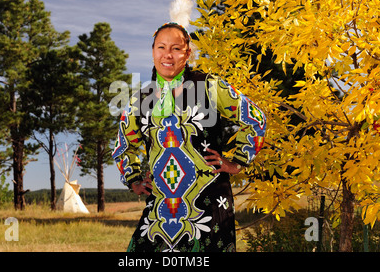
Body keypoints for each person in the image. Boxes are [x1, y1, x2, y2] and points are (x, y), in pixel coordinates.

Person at [112, 21, 267, 252]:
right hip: (161, 209)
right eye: (161, 47)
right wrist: (133, 178)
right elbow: (124, 144)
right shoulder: (141, 99)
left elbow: (255, 120)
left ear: (188, 53)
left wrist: (236, 163)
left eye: (176, 48)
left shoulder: (209, 87)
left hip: (208, 205)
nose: (168, 55)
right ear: (153, 51)